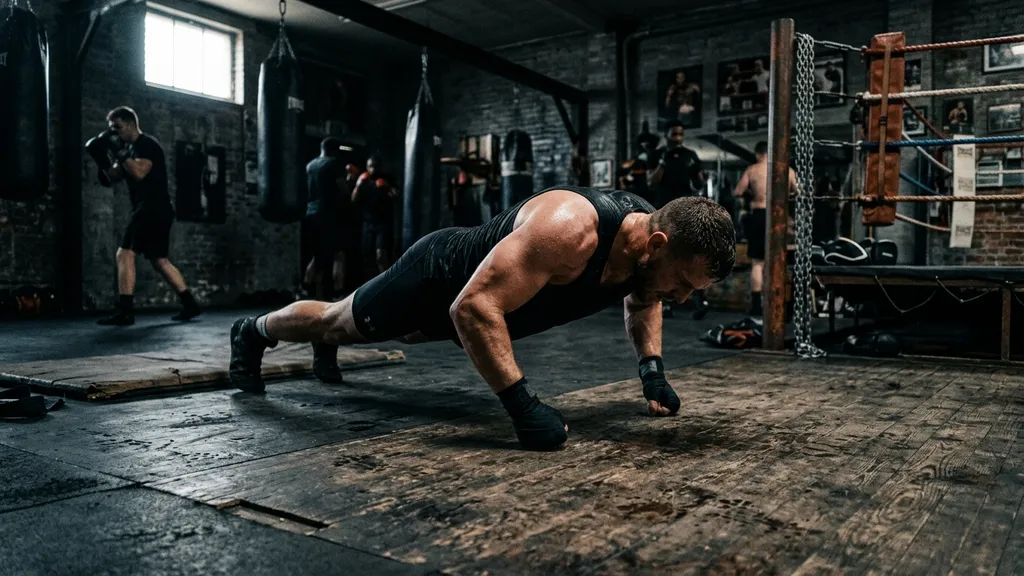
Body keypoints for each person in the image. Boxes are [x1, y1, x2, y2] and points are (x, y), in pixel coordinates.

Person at [229, 187, 736, 451]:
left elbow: (644, 297)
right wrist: (522, 409)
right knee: (336, 321)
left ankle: (329, 341)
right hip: (437, 278)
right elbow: (471, 308)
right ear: (657, 245)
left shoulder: (644, 243)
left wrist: (652, 370)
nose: (680, 297)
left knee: (391, 334)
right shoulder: (570, 228)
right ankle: (252, 331)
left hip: (477, 304)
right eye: (682, 282)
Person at [96, 106, 200, 326]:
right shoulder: (126, 148)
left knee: (124, 254)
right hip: (153, 209)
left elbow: (139, 173)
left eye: (117, 127)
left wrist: (120, 152)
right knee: (159, 260)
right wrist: (101, 158)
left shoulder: (147, 145)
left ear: (131, 124)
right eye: (111, 129)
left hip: (152, 207)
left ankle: (126, 312)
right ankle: (190, 304)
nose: (114, 132)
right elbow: (114, 175)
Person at [301, 137, 353, 383]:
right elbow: (343, 192)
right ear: (333, 150)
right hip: (330, 214)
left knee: (317, 256)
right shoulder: (333, 164)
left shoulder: (310, 164)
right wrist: (351, 183)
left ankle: (305, 291)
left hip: (311, 213)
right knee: (338, 255)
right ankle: (338, 295)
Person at [649, 119, 708, 319]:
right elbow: (651, 182)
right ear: (666, 135)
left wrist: (699, 177)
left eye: (681, 134)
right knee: (663, 255)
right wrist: (662, 163)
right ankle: (664, 304)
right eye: (674, 134)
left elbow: (699, 184)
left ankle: (700, 303)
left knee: (691, 254)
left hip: (685, 210)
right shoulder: (657, 155)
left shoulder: (690, 156)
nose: (678, 138)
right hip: (663, 211)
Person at [732, 141, 799, 316]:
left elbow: (737, 192)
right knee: (780, 261)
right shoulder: (787, 170)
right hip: (779, 214)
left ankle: (756, 306)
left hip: (760, 214)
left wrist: (752, 193)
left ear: (758, 154)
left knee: (758, 262)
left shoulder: (752, 170)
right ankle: (783, 305)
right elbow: (798, 192)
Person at [352, 155, 398, 275]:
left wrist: (387, 187)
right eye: (370, 166)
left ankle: (386, 281)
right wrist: (358, 184)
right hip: (368, 222)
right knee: (367, 256)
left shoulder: (387, 178)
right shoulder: (364, 179)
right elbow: (353, 199)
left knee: (381, 255)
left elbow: (396, 196)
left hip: (382, 222)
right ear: (367, 167)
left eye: (375, 166)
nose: (372, 169)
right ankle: (371, 282)